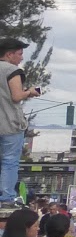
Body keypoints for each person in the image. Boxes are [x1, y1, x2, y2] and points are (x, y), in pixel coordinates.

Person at [0, 37, 42, 205]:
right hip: (10, 124)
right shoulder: (12, 70)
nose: (21, 57)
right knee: (9, 161)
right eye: (19, 53)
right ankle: (6, 196)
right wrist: (30, 91)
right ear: (9, 54)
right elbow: (16, 96)